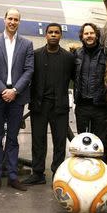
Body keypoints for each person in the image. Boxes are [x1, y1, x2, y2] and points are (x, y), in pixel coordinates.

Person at [0, 8, 34, 192]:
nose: (13, 22)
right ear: (4, 20)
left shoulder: (27, 44)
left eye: (16, 19)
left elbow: (29, 70)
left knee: (13, 138)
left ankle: (13, 177)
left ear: (19, 22)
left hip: (17, 96)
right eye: (10, 18)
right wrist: (2, 90)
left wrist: (14, 90)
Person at [23, 23, 74, 185]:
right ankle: (37, 173)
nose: (53, 35)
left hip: (60, 106)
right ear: (45, 35)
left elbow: (74, 79)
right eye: (50, 32)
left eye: (56, 32)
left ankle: (57, 174)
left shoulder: (68, 58)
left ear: (60, 36)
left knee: (59, 142)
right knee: (38, 140)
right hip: (39, 105)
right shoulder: (35, 55)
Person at [72, 23, 107, 162]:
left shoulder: (106, 53)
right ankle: (83, 172)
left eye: (92, 33)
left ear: (97, 35)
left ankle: (101, 174)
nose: (89, 36)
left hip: (100, 106)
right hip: (82, 105)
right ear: (82, 36)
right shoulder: (77, 54)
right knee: (83, 142)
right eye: (86, 33)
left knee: (101, 143)